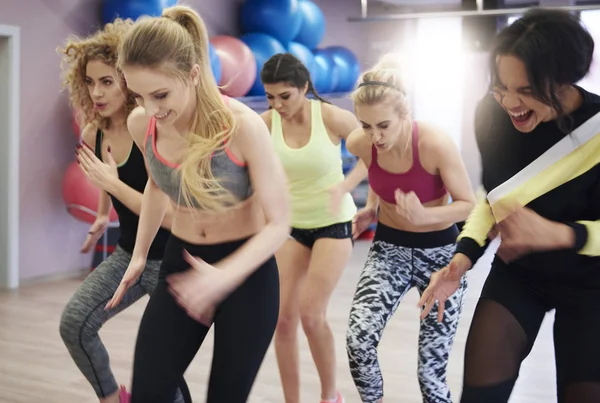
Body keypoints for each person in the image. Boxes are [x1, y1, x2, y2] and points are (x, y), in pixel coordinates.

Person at [103, 5, 290, 403]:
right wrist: (139, 255)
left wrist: (224, 276)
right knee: (149, 393)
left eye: (161, 94)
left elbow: (280, 223)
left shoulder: (242, 127)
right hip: (181, 262)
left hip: (247, 275)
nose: (151, 109)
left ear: (191, 74)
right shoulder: (143, 123)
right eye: (139, 95)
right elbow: (157, 184)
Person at [418, 9, 600, 403]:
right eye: (501, 87)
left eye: (527, 89)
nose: (510, 103)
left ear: (564, 77)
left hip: (592, 283)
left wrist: (563, 233)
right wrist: (462, 258)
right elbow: (494, 198)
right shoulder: (492, 114)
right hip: (522, 275)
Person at [56, 20, 188, 403]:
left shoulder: (149, 125)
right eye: (90, 82)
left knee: (159, 364)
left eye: (107, 81)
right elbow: (106, 176)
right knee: (75, 324)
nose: (96, 92)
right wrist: (102, 214)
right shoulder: (92, 133)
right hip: (130, 254)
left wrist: (112, 185)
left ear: (129, 80)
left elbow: (168, 216)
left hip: (171, 259)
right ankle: (113, 399)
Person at [345, 54, 476, 403]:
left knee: (429, 374)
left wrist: (425, 217)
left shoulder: (434, 143)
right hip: (389, 251)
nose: (374, 135)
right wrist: (371, 207)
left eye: (383, 125)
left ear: (405, 114)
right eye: (365, 125)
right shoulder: (360, 143)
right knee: (358, 341)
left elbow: (469, 205)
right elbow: (377, 172)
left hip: (442, 257)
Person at [259, 52, 367, 403]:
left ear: (304, 87)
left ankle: (328, 396)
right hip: (290, 227)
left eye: (285, 96)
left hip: (333, 225)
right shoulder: (264, 124)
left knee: (310, 314)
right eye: (270, 97)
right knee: (283, 320)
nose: (277, 105)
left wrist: (345, 187)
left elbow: (374, 152)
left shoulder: (333, 117)